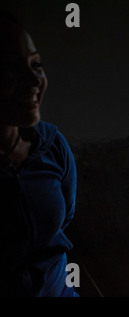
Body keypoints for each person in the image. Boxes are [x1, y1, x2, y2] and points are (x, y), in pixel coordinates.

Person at [0, 11, 78, 297]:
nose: (34, 80)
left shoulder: (52, 145)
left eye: (36, 64)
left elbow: (64, 217)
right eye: (10, 69)